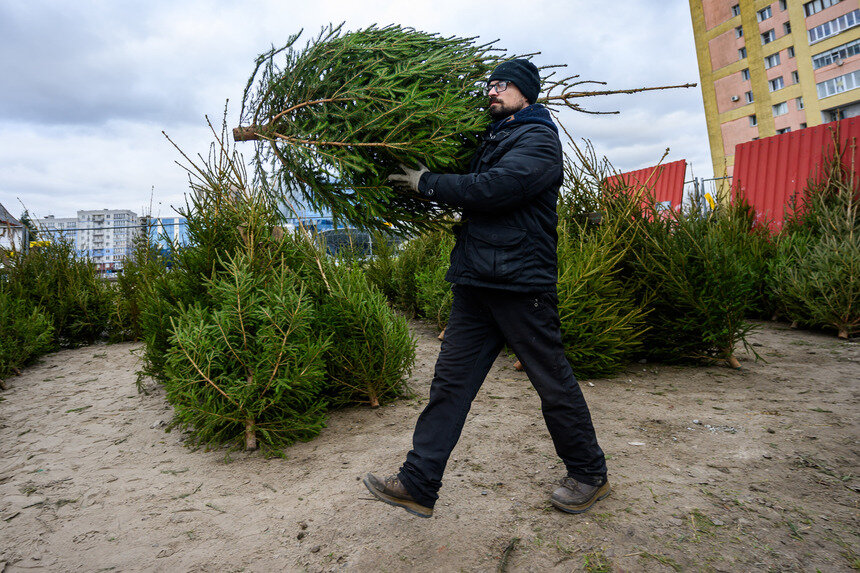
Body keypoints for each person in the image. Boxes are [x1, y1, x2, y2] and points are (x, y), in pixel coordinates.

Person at [365, 59, 609, 518]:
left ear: (526, 93)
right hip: (476, 282)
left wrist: (428, 183)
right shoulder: (493, 138)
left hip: (520, 285)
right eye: (490, 85)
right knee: (450, 385)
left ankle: (590, 474)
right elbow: (472, 179)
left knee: (551, 382)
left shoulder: (537, 139)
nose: (493, 91)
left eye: (504, 85)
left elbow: (496, 187)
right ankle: (418, 482)